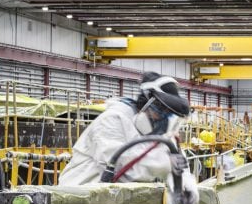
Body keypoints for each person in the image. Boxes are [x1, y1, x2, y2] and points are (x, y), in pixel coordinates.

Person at [59, 72, 191, 186]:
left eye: (168, 114)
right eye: (161, 110)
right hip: (78, 197)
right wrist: (165, 163)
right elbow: (122, 168)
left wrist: (185, 186)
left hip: (114, 202)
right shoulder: (112, 120)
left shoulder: (158, 129)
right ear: (147, 102)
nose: (162, 117)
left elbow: (179, 162)